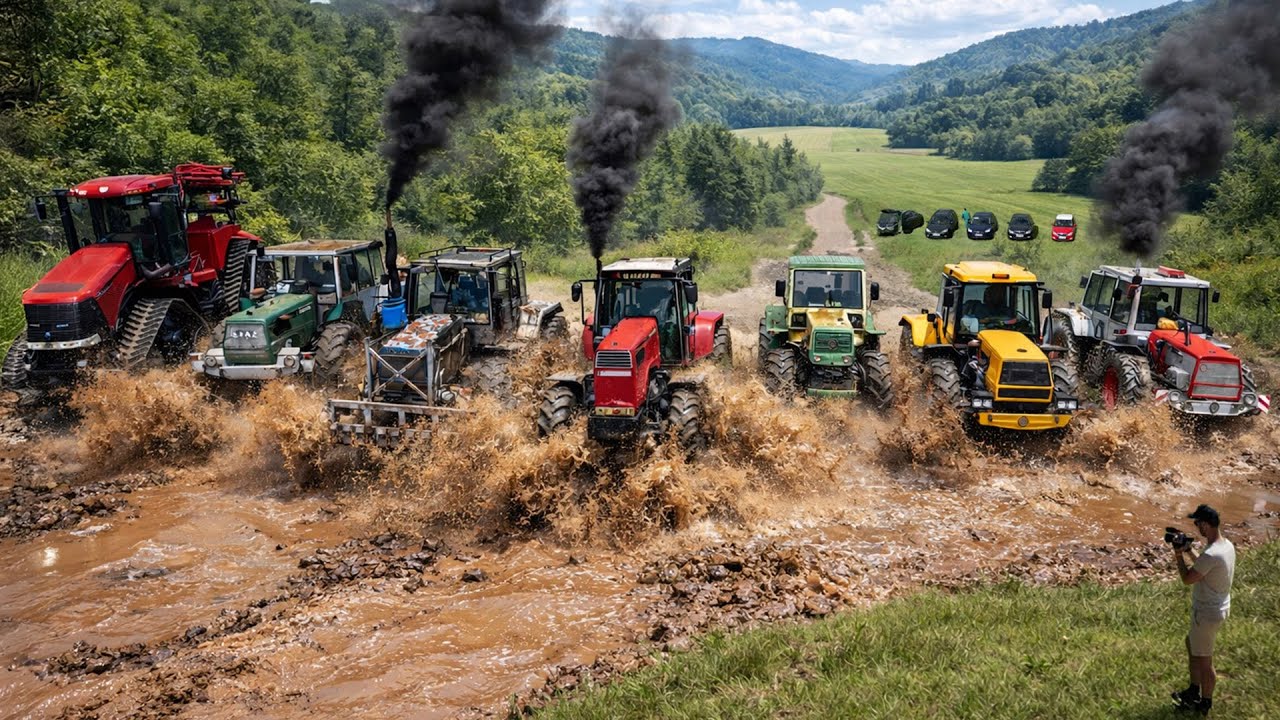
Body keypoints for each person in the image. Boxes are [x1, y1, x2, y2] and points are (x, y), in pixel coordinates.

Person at [1171, 504, 1235, 716]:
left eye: (1198, 523)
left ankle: (1204, 702)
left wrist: (1178, 554)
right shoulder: (1225, 546)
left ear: (1206, 525)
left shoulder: (1211, 554)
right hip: (1219, 607)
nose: (1196, 527)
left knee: (1205, 661)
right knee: (1191, 645)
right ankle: (1193, 690)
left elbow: (1188, 579)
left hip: (1207, 613)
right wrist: (1189, 549)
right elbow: (1204, 567)